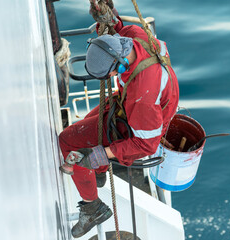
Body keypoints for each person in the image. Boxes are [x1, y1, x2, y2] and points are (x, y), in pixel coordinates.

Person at [59, 16, 180, 238]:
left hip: (139, 124)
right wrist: (108, 17)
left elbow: (145, 145)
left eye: (110, 73)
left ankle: (92, 208)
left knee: (68, 141)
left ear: (120, 63)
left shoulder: (143, 95)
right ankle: (100, 173)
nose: (112, 76)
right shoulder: (135, 36)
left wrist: (100, 154)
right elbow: (120, 28)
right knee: (88, 126)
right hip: (128, 103)